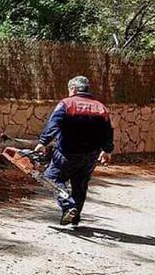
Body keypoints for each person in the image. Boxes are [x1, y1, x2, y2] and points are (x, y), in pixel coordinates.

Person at [34, 75, 114, 226]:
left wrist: (43, 142)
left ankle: (69, 207)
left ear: (73, 89)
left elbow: (54, 124)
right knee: (80, 184)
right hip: (91, 155)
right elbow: (108, 131)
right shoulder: (100, 107)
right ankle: (75, 216)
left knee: (51, 177)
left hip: (68, 152)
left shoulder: (67, 104)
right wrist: (107, 150)